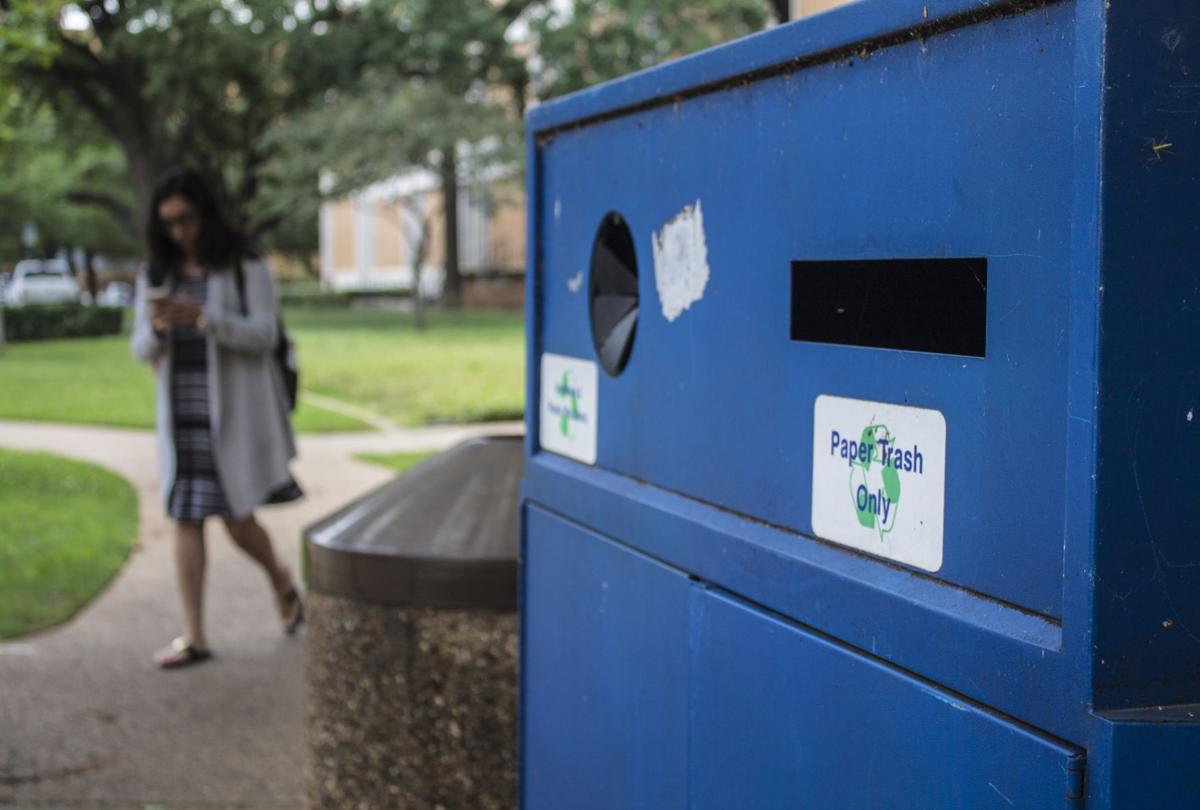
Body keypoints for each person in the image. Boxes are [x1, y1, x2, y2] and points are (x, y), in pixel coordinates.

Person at [131, 167, 303, 669]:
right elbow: (139, 345)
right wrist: (161, 328)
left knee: (237, 517)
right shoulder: (156, 274)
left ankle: (281, 579)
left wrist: (206, 321)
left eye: (186, 219)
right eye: (168, 223)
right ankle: (195, 635)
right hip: (181, 412)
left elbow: (265, 335)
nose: (178, 231)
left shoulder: (244, 265)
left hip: (230, 410)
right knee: (185, 515)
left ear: (206, 213)